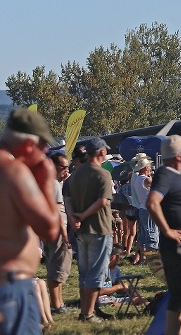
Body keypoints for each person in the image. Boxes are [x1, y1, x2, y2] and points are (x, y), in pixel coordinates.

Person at [0, 109, 60, 334]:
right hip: (6, 288)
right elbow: (50, 229)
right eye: (43, 146)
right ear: (28, 146)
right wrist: (46, 180)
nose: (46, 153)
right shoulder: (13, 170)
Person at [146, 135, 181, 335]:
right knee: (180, 297)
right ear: (178, 155)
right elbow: (152, 202)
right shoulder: (165, 174)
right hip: (177, 247)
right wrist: (167, 230)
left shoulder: (177, 175)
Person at [66, 137, 115, 323]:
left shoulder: (76, 174)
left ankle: (86, 311)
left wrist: (73, 218)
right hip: (99, 228)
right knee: (96, 273)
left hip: (81, 230)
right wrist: (84, 215)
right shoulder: (103, 174)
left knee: (84, 273)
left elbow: (68, 199)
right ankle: (88, 314)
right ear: (101, 152)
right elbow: (103, 202)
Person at [44, 152, 73, 314]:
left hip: (50, 230)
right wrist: (65, 233)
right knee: (57, 267)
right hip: (58, 230)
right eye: (63, 167)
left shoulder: (51, 182)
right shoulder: (53, 184)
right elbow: (56, 211)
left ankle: (60, 303)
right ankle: (56, 305)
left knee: (57, 267)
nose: (66, 170)